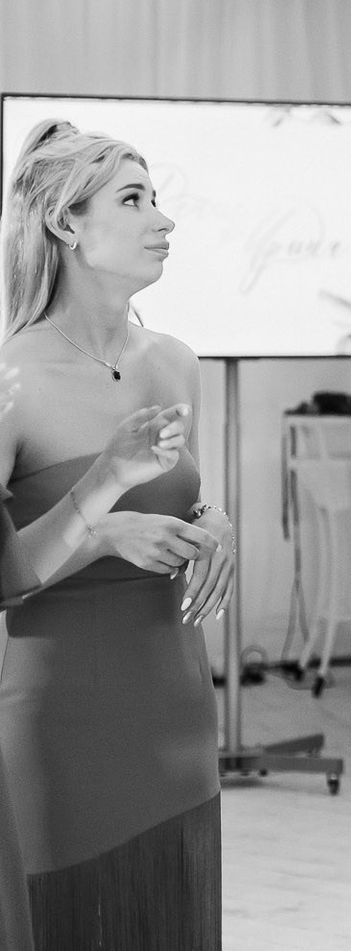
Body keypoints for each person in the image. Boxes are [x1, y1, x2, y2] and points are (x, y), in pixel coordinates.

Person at [0, 119, 235, 949]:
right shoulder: (12, 378)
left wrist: (215, 525)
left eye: (157, 198)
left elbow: (186, 494)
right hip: (59, 718)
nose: (162, 219)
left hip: (176, 702)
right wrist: (101, 532)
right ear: (65, 223)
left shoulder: (176, 361)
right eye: (133, 200)